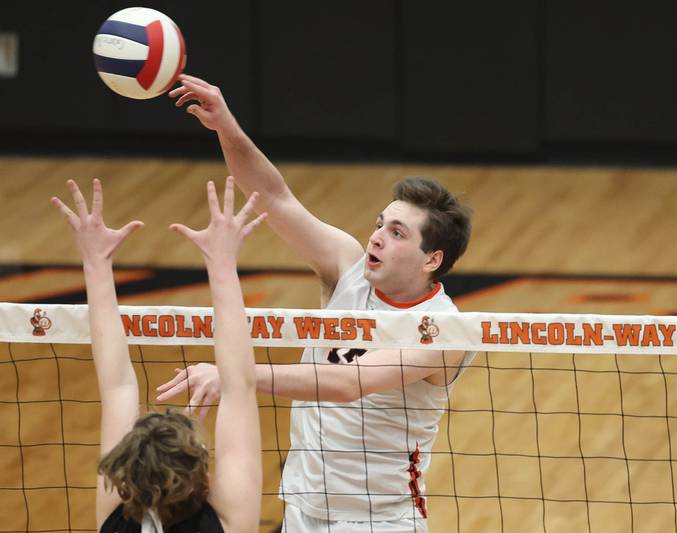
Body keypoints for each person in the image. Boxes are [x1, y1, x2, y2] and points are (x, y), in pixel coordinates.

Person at [156, 74, 474, 533]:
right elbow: (274, 197)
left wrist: (234, 376)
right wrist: (225, 125)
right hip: (301, 514)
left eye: (397, 233)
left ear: (433, 258)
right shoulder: (347, 267)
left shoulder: (443, 329)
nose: (377, 237)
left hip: (378, 523)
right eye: (381, 224)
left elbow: (348, 382)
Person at [52, 177, 265, 532]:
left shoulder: (116, 521)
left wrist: (95, 262)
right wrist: (223, 263)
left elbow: (118, 386)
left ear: (124, 480)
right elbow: (239, 384)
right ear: (202, 478)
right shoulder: (228, 523)